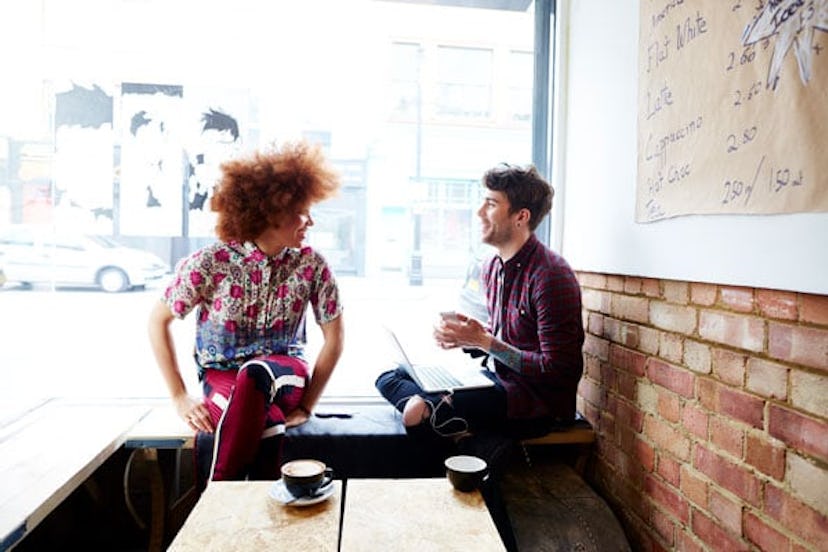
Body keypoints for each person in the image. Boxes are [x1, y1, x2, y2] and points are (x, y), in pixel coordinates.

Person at [148, 140, 344, 487]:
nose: (310, 221)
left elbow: (335, 338)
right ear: (271, 211)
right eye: (302, 211)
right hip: (221, 375)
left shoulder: (312, 265)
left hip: (287, 374)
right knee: (267, 423)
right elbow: (157, 321)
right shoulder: (210, 263)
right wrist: (179, 396)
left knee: (256, 371)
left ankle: (215, 502)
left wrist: (307, 406)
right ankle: (257, 522)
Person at [375, 163, 584, 463]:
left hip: (535, 402)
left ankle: (468, 441)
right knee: (389, 376)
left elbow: (558, 371)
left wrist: (485, 342)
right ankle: (471, 438)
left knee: (418, 415)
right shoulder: (491, 267)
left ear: (520, 217)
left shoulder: (552, 275)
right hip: (497, 381)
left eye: (491, 203)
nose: (478, 213)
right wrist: (468, 338)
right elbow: (510, 339)